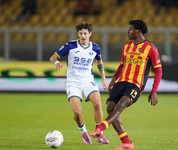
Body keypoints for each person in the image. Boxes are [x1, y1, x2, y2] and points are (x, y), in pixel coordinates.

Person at [90, 20, 162, 149]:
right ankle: (126, 142)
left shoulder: (150, 48)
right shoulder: (126, 47)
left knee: (121, 105)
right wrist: (113, 80)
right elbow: (122, 65)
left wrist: (154, 91)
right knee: (110, 107)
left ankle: (100, 129)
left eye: (130, 29)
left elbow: (158, 69)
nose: (128, 31)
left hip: (135, 85)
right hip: (121, 82)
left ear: (139, 31)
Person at [50, 22, 109, 144]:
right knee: (77, 113)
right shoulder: (70, 45)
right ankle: (84, 132)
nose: (83, 36)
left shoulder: (95, 47)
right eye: (81, 33)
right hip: (73, 83)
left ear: (90, 34)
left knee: (97, 103)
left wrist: (103, 78)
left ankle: (99, 134)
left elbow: (99, 61)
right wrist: (56, 63)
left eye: (85, 33)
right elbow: (53, 57)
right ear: (78, 34)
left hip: (88, 81)